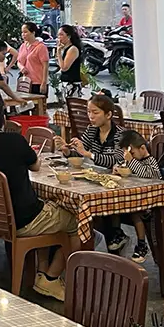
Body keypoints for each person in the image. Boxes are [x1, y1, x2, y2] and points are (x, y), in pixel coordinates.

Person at [0, 99, 80, 302]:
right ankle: (52, 277)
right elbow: (35, 167)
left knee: (46, 206)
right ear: (3, 120)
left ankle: (42, 274)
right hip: (25, 220)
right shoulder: (16, 141)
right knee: (78, 220)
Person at [55, 94, 128, 252]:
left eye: (95, 112)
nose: (91, 116)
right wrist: (68, 151)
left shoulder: (120, 134)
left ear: (109, 114)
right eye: (89, 112)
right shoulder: (91, 130)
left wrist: (89, 154)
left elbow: (116, 160)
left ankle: (108, 239)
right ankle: (106, 239)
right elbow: (79, 156)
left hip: (117, 183)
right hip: (95, 179)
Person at [117, 130, 161, 263]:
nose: (131, 157)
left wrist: (132, 162)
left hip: (150, 202)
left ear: (142, 148)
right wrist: (119, 168)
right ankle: (117, 235)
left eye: (133, 153)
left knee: (136, 212)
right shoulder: (134, 161)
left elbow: (150, 174)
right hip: (133, 198)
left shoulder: (150, 161)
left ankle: (141, 244)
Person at [17, 22, 49, 95]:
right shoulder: (23, 46)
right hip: (25, 82)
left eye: (25, 32)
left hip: (38, 82)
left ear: (33, 33)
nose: (23, 34)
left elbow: (45, 66)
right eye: (22, 32)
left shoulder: (41, 47)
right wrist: (22, 67)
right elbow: (18, 61)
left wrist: (44, 83)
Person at [56, 24, 84, 97]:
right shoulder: (65, 48)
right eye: (58, 35)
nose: (59, 37)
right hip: (65, 82)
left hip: (72, 83)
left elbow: (64, 68)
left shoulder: (72, 49)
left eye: (61, 35)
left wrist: (58, 52)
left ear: (68, 36)